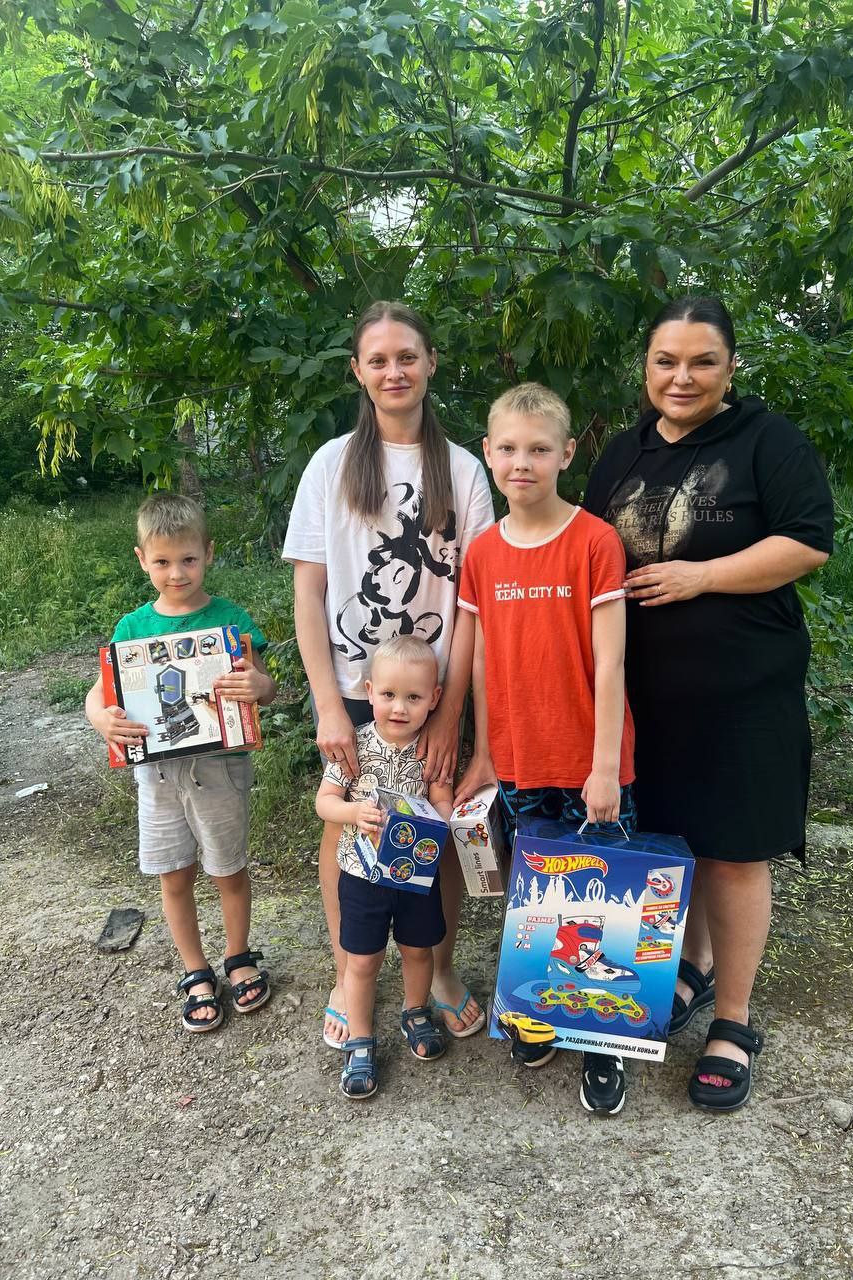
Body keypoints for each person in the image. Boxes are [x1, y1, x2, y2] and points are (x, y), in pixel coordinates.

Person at [583, 296, 834, 1112]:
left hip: (742, 693)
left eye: (701, 361)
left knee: (733, 851)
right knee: (671, 844)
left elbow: (806, 543)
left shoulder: (770, 441)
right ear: (645, 368)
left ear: (730, 367)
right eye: (666, 361)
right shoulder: (619, 456)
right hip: (639, 698)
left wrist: (703, 575)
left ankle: (733, 1020)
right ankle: (686, 968)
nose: (681, 377)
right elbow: (584, 557)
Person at [283, 301, 494, 1048]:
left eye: (407, 355)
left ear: (431, 362)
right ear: (358, 372)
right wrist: (327, 706)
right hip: (352, 688)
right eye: (378, 359)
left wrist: (451, 711)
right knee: (351, 828)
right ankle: (352, 973)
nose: (394, 370)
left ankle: (435, 970)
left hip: (430, 690)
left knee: (429, 829)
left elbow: (472, 603)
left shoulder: (464, 470)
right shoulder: (331, 464)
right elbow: (308, 591)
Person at [454, 382, 637, 1116]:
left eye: (537, 448)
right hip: (519, 759)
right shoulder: (484, 551)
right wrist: (485, 751)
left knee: (604, 904)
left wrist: (603, 767)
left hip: (591, 764)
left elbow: (612, 662)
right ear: (490, 454)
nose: (520, 462)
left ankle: (603, 1042)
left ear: (566, 453)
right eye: (507, 448)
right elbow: (479, 663)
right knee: (537, 901)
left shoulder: (594, 541)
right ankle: (541, 1014)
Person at [85, 494, 278, 1033]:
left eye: (188, 559)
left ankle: (238, 957)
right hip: (158, 774)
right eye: (164, 562)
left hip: (220, 769)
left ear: (208, 554)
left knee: (228, 868)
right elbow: (97, 695)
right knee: (174, 874)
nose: (177, 573)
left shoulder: (231, 619)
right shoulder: (131, 629)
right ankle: (195, 970)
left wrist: (261, 686)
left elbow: (264, 685)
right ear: (142, 560)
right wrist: (104, 722)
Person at [315, 636, 454, 1098]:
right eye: (389, 695)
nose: (400, 707)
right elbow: (325, 803)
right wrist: (353, 813)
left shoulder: (430, 750)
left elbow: (441, 801)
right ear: (369, 691)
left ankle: (416, 1011)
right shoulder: (355, 745)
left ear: (433, 699)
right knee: (362, 960)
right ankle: (360, 1038)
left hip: (416, 876)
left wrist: (444, 819)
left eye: (414, 697)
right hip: (360, 874)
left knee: (419, 951)